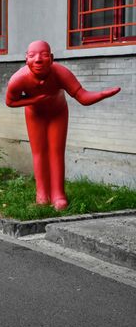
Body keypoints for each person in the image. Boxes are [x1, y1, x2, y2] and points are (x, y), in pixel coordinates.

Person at [6, 40, 120, 210]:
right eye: (32, 56)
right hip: (34, 115)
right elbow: (10, 102)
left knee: (56, 152)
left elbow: (82, 96)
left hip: (58, 114)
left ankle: (58, 194)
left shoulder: (60, 73)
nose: (38, 60)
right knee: (39, 153)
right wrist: (34, 100)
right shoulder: (18, 79)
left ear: (51, 58)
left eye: (44, 55)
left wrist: (102, 94)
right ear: (26, 60)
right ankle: (42, 194)